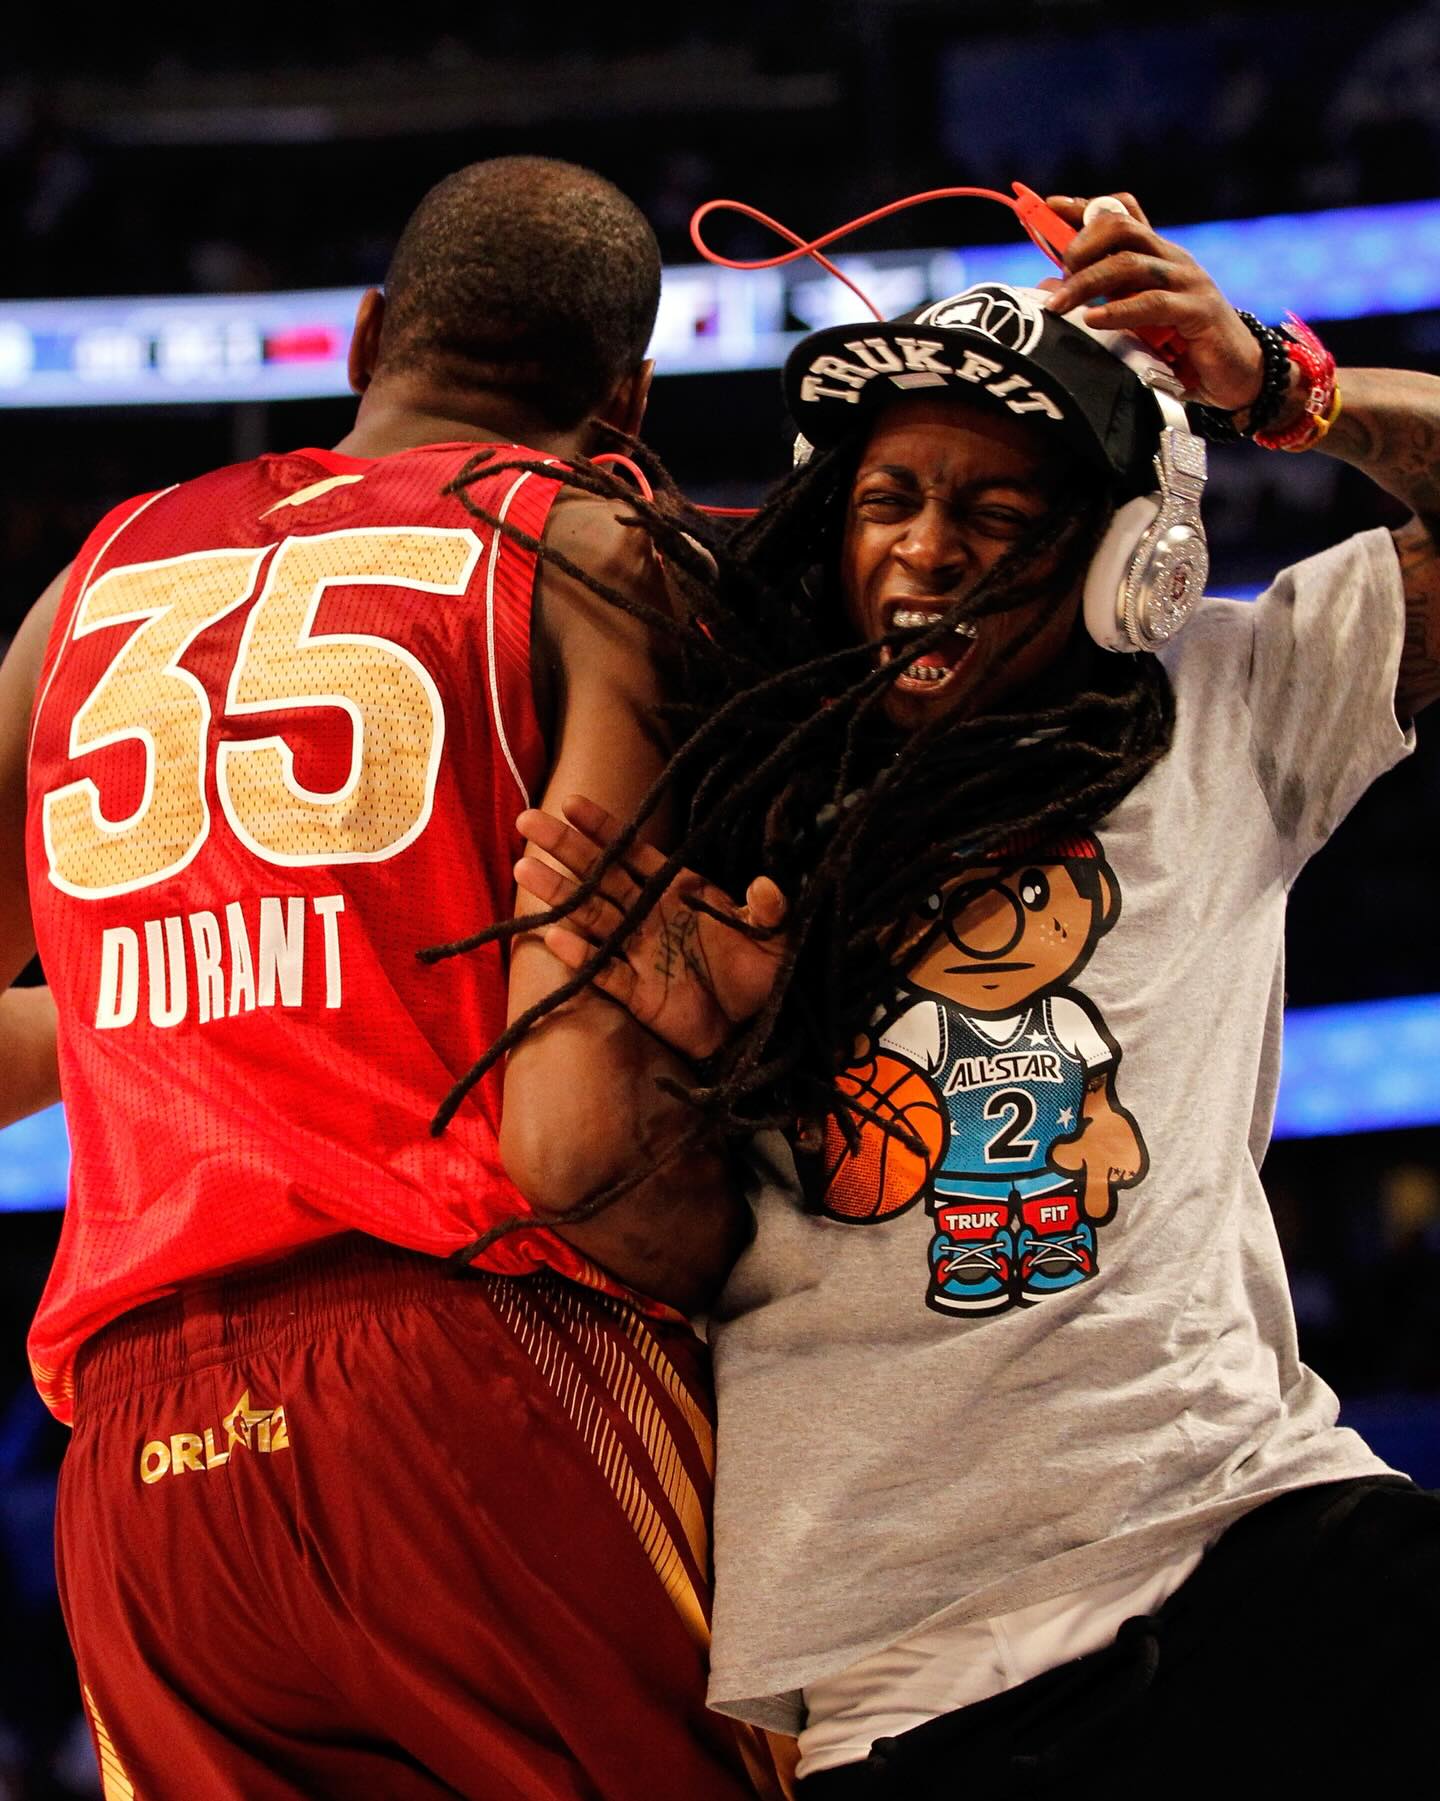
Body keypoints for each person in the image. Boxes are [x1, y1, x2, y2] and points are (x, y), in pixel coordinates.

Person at [507, 192, 1440, 1795]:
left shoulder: (1231, 699)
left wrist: (1280, 383)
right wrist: (707, 1063)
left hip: (1248, 1528)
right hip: (906, 1663)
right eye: (889, 499)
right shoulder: (735, 802)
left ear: (1124, 561)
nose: (927, 548)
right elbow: (653, 1239)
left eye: (995, 512)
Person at [0, 156, 787, 1799]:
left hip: (142, 1460)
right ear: (629, 402)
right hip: (476, 1362)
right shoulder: (594, 546)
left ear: (366, 337)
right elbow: (586, 1119)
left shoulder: (98, 571)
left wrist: (197, 1025)